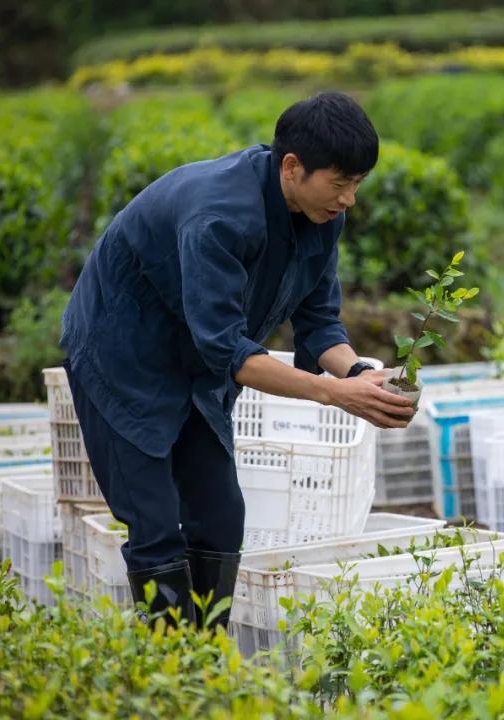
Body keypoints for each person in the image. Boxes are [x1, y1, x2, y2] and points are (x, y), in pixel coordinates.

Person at [59, 91, 415, 627]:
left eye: (357, 185)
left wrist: (361, 374)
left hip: (196, 355)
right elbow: (227, 348)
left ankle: (206, 652)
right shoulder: (220, 216)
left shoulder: (322, 216)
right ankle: (175, 672)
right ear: (292, 166)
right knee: (154, 523)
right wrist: (332, 394)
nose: (349, 201)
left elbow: (319, 324)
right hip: (123, 356)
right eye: (339, 184)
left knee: (220, 515)